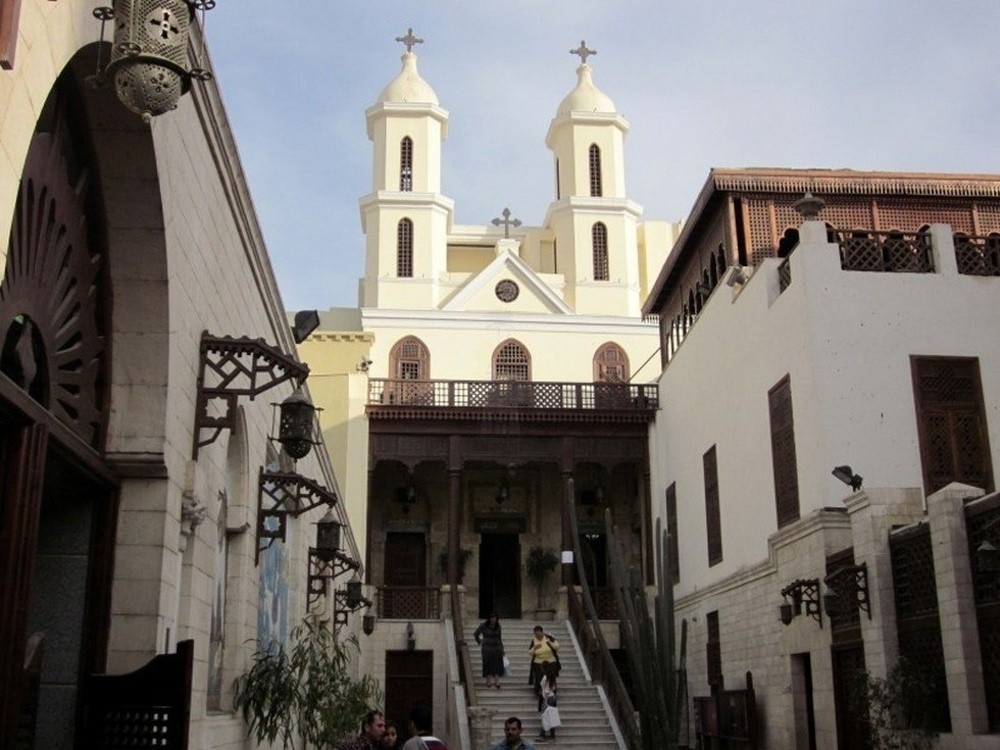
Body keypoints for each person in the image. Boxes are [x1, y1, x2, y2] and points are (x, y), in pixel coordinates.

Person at [473, 611, 505, 688]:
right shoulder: (483, 626)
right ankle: (488, 681)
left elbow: (499, 638)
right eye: (492, 618)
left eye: (494, 618)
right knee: (488, 665)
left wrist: (502, 649)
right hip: (487, 648)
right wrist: (479, 641)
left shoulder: (498, 626)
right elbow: (476, 633)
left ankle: (497, 682)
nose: (493, 619)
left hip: (497, 647)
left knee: (497, 665)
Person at [528, 625, 560, 698]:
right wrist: (534, 648)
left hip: (550, 661)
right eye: (536, 634)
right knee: (539, 677)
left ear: (542, 632)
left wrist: (550, 643)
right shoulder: (534, 640)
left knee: (551, 675)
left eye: (539, 634)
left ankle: (551, 689)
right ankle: (539, 691)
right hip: (538, 662)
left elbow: (557, 647)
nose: (538, 636)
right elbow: (530, 652)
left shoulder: (549, 637)